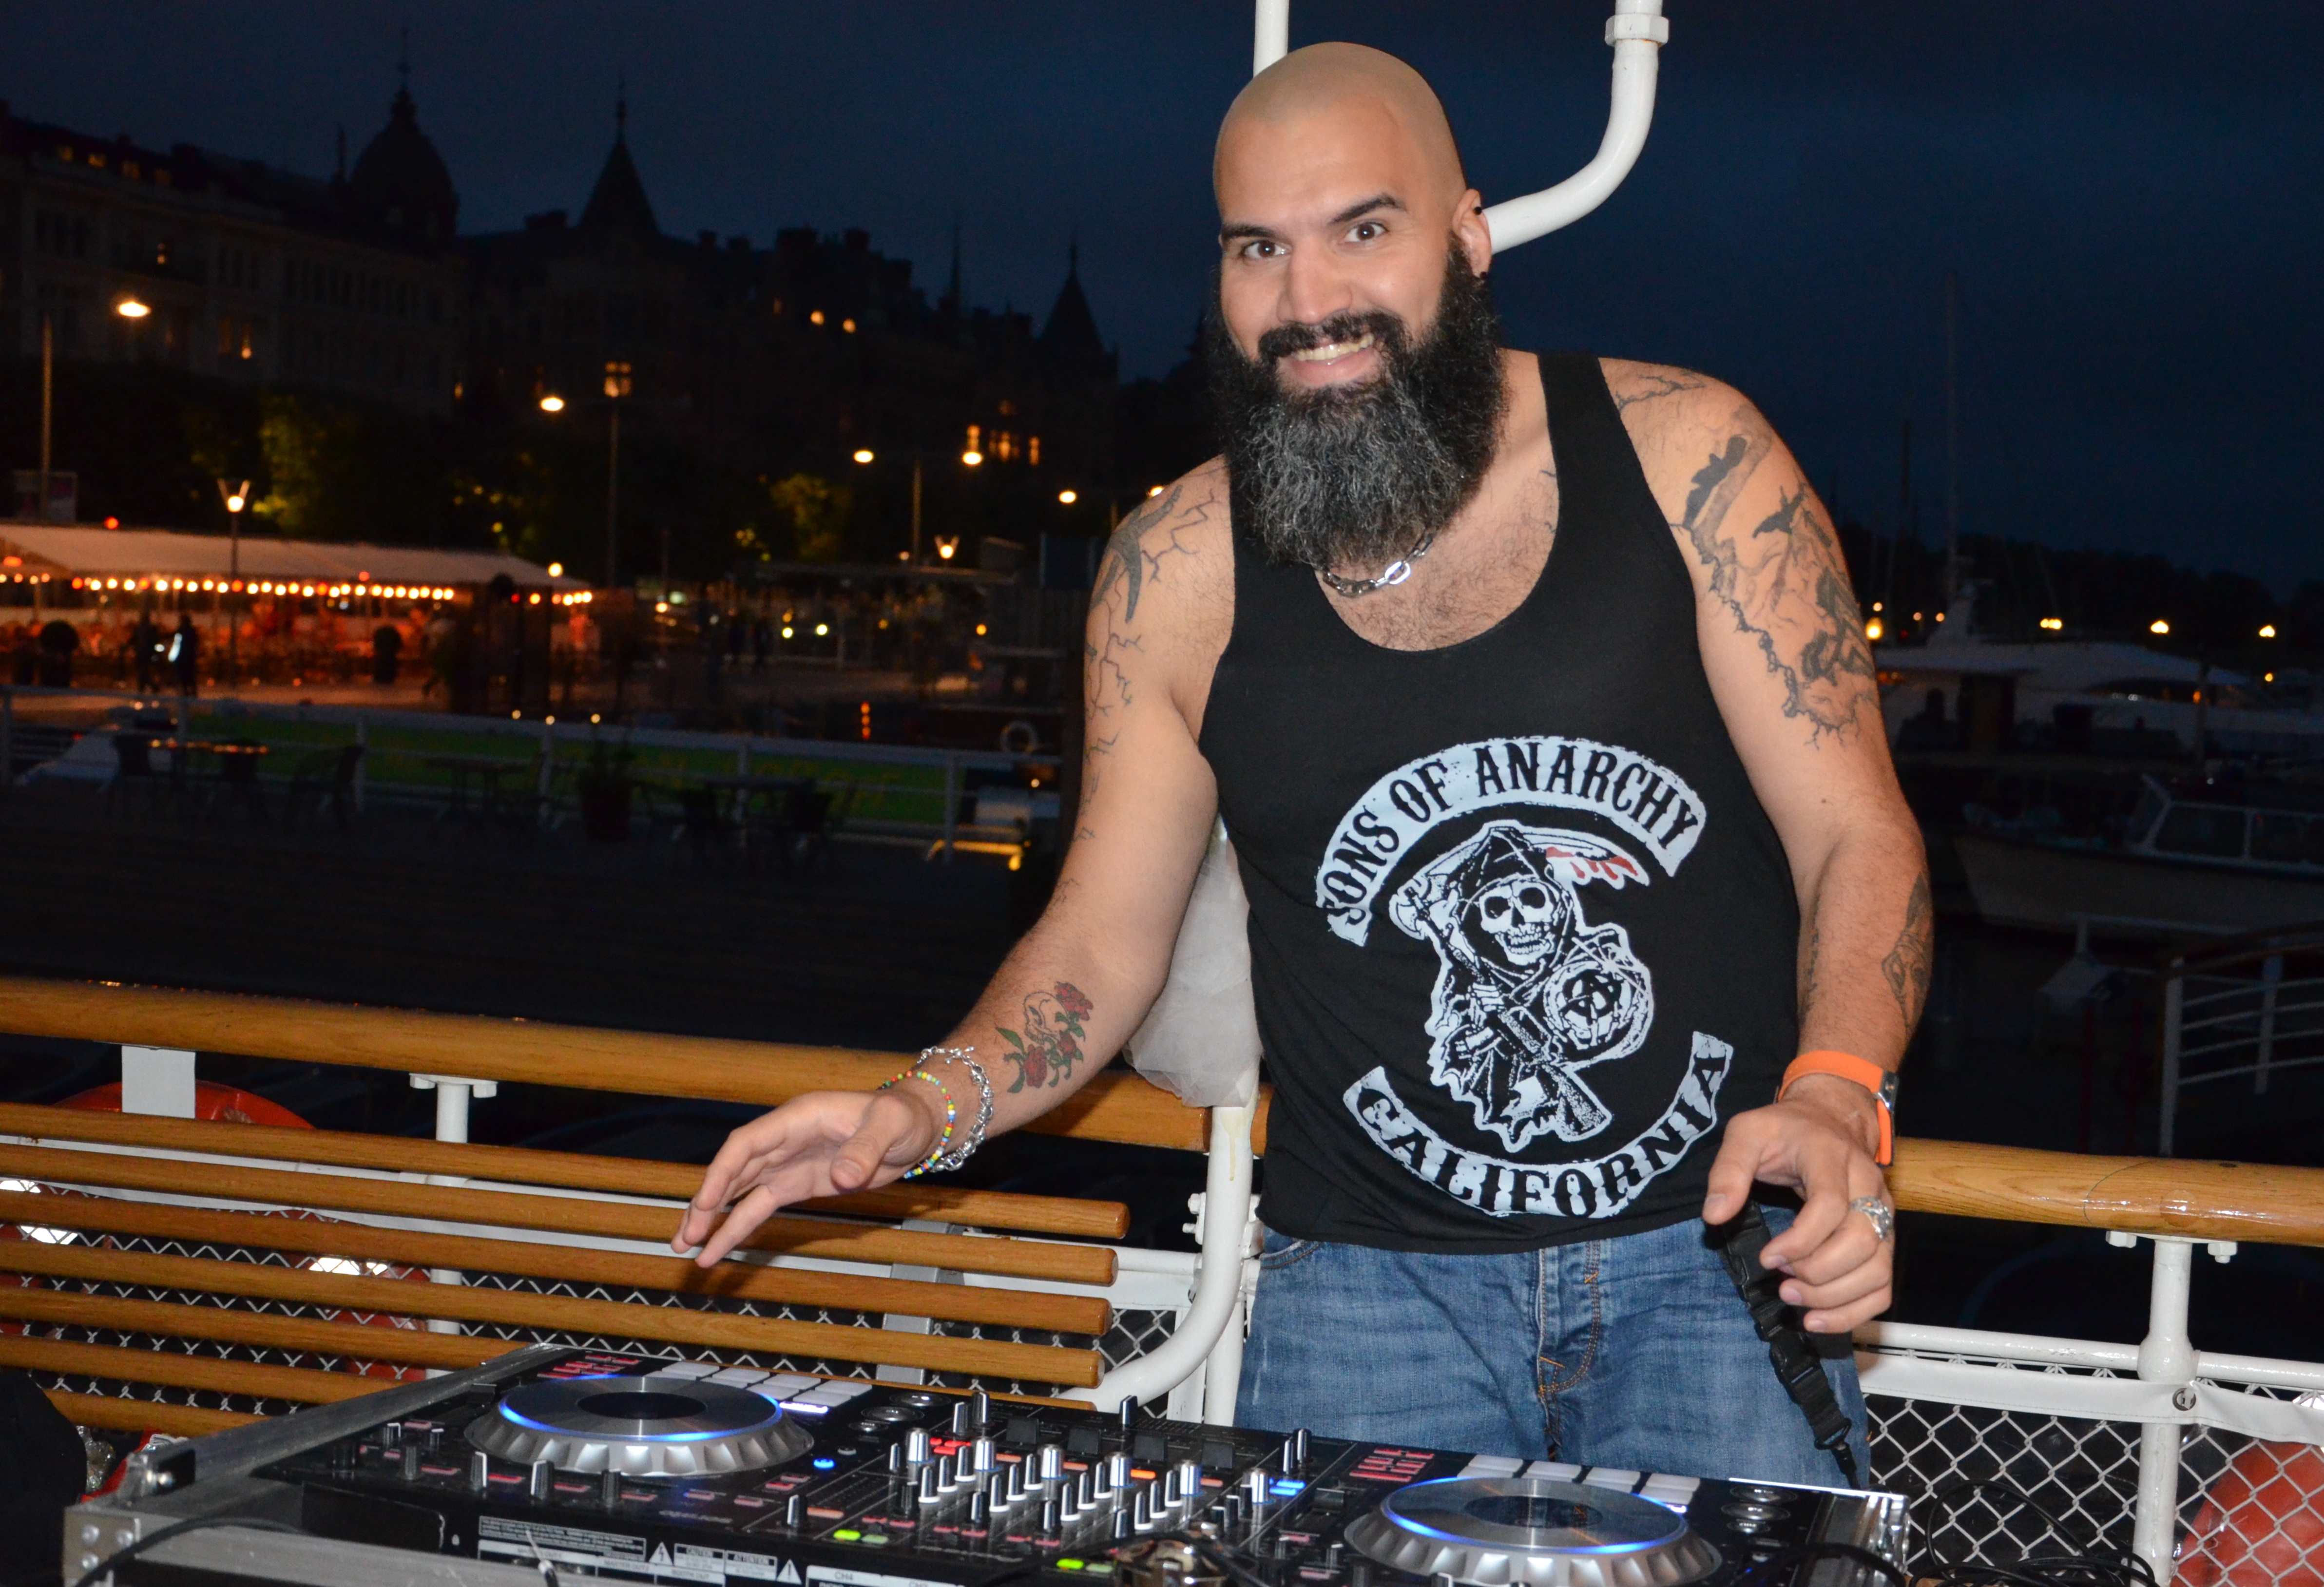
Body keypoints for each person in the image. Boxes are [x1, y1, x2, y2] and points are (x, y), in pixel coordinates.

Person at [675, 44, 1929, 1482]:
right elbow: (1099, 940)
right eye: (1257, 247)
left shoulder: (1694, 461)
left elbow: (1856, 836)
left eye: (1362, 229)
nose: (1307, 297)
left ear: (1465, 236)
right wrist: (918, 1107)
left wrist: (1835, 1090)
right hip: (1364, 1297)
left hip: (1714, 1266)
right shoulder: (1172, 572)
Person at [168, 613, 200, 697]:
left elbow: (176, 643)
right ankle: (193, 692)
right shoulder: (192, 631)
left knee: (182, 675)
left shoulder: (180, 631)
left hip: (181, 656)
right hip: (190, 656)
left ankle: (185, 692)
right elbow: (196, 643)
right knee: (190, 675)